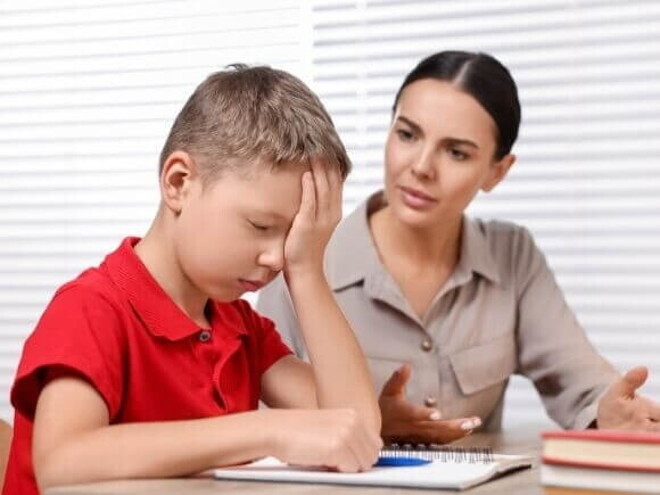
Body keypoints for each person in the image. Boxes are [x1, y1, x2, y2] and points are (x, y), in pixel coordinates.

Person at [3, 65, 383, 495]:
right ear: (179, 183)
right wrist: (264, 429)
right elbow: (64, 461)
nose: (277, 257)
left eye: (293, 235)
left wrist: (308, 269)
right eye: (260, 225)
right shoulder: (90, 308)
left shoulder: (239, 326)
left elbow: (356, 430)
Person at [257, 51, 660, 444]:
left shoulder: (512, 256)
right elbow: (265, 421)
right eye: (407, 134)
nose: (421, 166)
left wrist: (610, 413)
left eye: (456, 152)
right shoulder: (302, 257)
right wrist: (372, 422)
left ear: (497, 172)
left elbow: (583, 386)